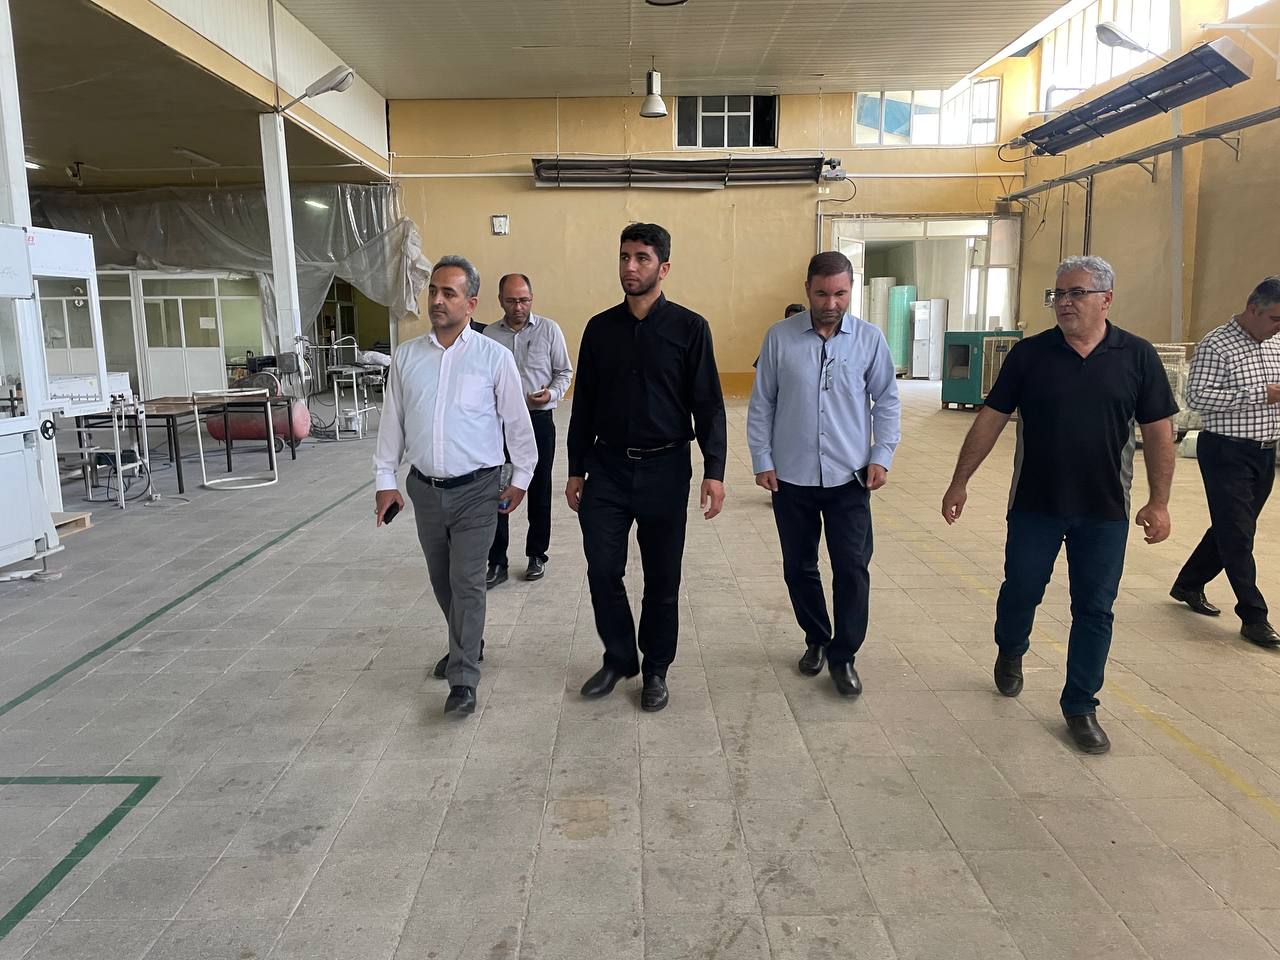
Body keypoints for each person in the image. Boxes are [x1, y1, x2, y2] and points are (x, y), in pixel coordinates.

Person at [941, 255, 1178, 755]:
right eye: (1059, 294)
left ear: (1106, 299)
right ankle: (1011, 648)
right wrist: (960, 481)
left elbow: (1159, 431)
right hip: (1035, 505)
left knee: (1094, 609)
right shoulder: (1030, 355)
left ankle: (1081, 705)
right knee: (1021, 590)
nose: (1065, 303)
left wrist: (1159, 502)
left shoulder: (1136, 356)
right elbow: (991, 419)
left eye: (1076, 293)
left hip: (1105, 511)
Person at [567, 222, 727, 713]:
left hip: (666, 469)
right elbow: (583, 404)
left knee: (662, 578)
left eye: (641, 258)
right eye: (624, 257)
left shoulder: (690, 328)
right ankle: (619, 658)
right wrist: (575, 468)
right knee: (602, 569)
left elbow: (709, 405)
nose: (630, 267)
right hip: (608, 468)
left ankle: (656, 668)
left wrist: (714, 470)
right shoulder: (599, 329)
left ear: (664, 267)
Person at [373, 255, 537, 716]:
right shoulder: (407, 357)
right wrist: (385, 480)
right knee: (441, 579)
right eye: (433, 291)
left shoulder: (493, 357)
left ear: (471, 303)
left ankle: (463, 677)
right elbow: (392, 424)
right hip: (425, 490)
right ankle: (469, 639)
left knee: (467, 581)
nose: (438, 300)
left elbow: (517, 425)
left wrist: (521, 477)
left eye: (449, 293)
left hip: (477, 491)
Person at [748, 252, 900, 697]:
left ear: (851, 290)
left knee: (852, 567)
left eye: (840, 294)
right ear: (807, 290)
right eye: (821, 294)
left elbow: (887, 401)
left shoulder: (869, 339)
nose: (831, 303)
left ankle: (844, 655)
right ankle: (817, 637)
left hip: (850, 477)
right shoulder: (779, 338)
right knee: (799, 566)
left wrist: (881, 454)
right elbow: (763, 402)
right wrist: (762, 459)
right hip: (791, 477)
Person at [1171, 276, 1280, 646]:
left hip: (1264, 452)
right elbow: (1197, 397)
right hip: (1226, 451)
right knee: (1238, 534)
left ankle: (1188, 583)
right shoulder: (1217, 345)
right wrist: (1260, 393)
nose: (1278, 327)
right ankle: (1253, 616)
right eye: (1275, 319)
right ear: (1253, 309)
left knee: (1233, 527)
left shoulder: (1275, 342)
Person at [482, 274, 573, 588]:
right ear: (500, 300)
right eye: (511, 301)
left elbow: (564, 372)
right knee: (497, 488)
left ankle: (536, 554)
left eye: (524, 300)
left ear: (532, 298)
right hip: (500, 425)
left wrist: (551, 394)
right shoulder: (490, 335)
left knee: (539, 487)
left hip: (538, 422)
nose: (518, 307)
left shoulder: (549, 330)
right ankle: (497, 561)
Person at [753, 303, 806, 369]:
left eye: (798, 320)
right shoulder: (777, 340)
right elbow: (762, 368)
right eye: (791, 320)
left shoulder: (811, 340)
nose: (794, 324)